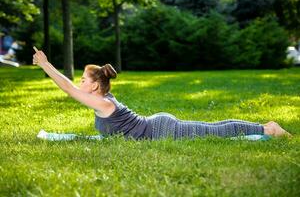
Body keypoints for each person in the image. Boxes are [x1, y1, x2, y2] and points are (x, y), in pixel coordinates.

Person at [33, 47, 291, 140]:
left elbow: (67, 87)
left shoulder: (101, 102)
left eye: (83, 80)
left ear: (94, 86)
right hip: (158, 125)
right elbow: (71, 86)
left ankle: (267, 129)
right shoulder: (102, 100)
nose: (79, 83)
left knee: (216, 131)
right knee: (213, 127)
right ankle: (265, 126)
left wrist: (45, 64)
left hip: (162, 131)